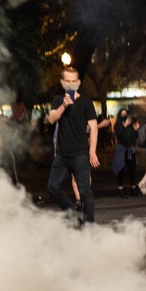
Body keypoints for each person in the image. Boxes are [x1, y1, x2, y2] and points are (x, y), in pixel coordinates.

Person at [46, 67, 100, 224]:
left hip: (80, 154)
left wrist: (92, 152)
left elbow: (94, 128)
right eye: (67, 81)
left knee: (85, 192)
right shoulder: (57, 100)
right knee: (53, 187)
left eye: (73, 81)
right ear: (62, 83)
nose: (71, 84)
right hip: (62, 155)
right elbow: (51, 119)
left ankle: (89, 226)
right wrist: (63, 105)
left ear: (79, 82)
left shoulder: (86, 102)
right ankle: (73, 215)